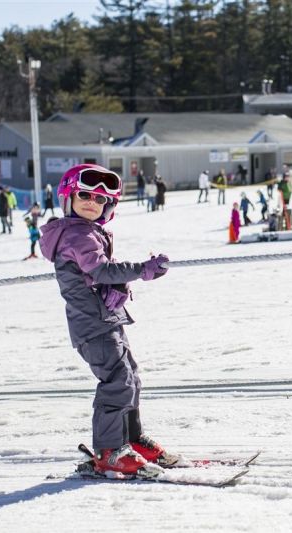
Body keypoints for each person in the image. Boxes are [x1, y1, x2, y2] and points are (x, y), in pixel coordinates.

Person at [39, 164, 176, 478]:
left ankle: (131, 440)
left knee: (131, 377)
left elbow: (96, 273)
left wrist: (113, 287)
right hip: (93, 325)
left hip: (103, 320)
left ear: (109, 207)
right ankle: (110, 451)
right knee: (117, 382)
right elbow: (100, 270)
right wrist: (142, 269)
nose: (92, 202)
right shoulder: (77, 233)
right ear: (68, 197)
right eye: (85, 194)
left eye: (100, 200)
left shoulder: (86, 232)